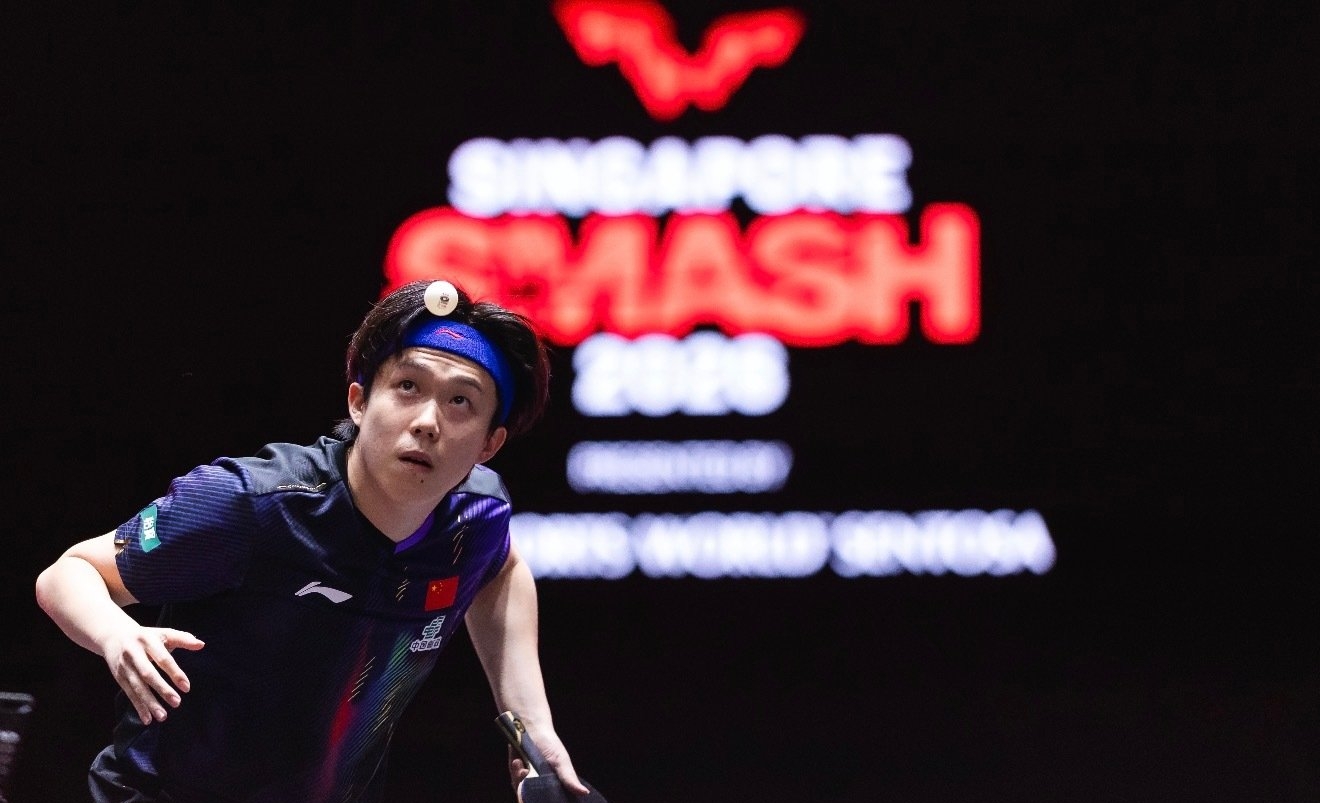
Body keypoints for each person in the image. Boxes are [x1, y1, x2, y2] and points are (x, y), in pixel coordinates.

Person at [35, 280, 590, 801]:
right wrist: (116, 635)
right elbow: (68, 573)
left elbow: (502, 569)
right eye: (407, 386)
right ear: (358, 402)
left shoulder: (476, 517)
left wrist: (532, 724)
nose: (427, 421)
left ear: (490, 444)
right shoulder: (253, 502)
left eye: (461, 401)